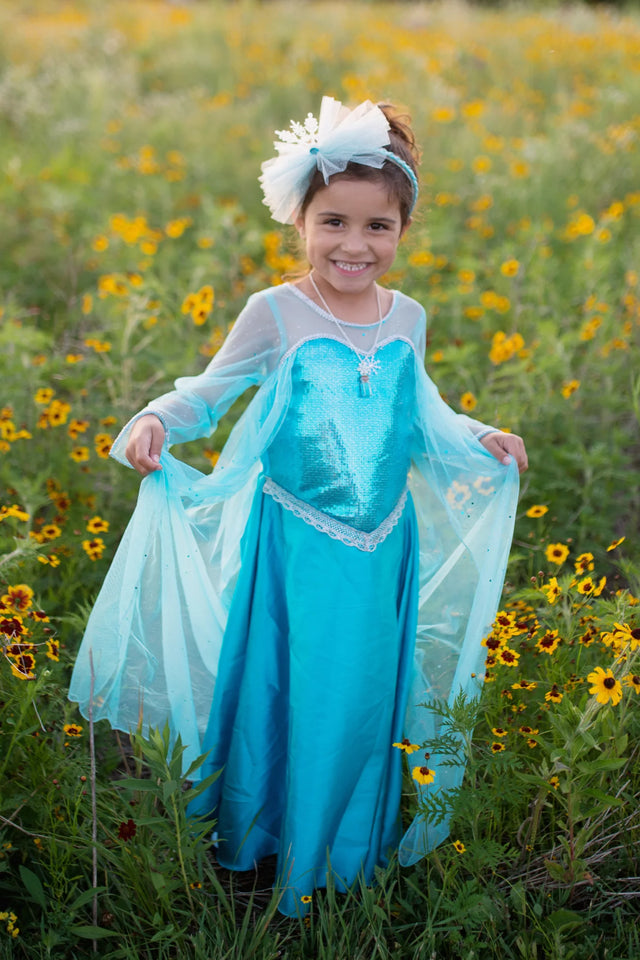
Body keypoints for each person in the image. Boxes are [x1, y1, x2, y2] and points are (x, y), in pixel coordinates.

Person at [69, 96, 527, 917]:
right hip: (298, 546)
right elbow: (208, 394)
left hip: (384, 544)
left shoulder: (408, 317)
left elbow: (422, 410)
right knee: (298, 686)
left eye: (377, 227)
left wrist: (481, 433)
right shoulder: (276, 313)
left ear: (402, 229)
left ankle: (345, 846)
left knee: (358, 695)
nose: (354, 246)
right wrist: (151, 418)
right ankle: (268, 842)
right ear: (301, 220)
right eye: (334, 223)